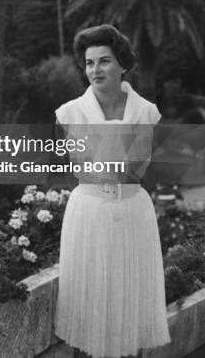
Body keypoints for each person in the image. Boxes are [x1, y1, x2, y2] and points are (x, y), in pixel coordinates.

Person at [54, 24, 170, 358]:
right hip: (88, 213)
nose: (95, 70)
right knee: (87, 300)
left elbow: (137, 170)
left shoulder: (146, 111)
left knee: (129, 299)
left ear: (122, 64)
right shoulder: (70, 112)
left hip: (133, 214)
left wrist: (107, 161)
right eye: (89, 63)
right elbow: (81, 169)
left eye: (104, 61)